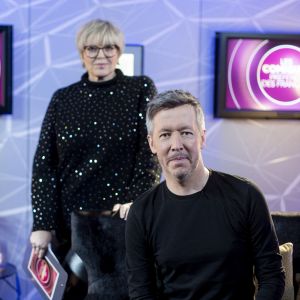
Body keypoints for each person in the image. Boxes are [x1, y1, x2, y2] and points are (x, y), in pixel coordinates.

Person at [29, 18, 160, 296]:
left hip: (121, 224)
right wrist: (43, 224)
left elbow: (150, 154)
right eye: (92, 48)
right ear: (81, 53)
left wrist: (135, 200)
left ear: (119, 51)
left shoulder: (140, 89)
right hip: (71, 227)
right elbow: (45, 166)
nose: (101, 56)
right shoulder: (62, 99)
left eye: (109, 48)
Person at [125, 89, 285, 300]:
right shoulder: (141, 212)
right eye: (165, 135)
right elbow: (141, 293)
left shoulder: (246, 195)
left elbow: (272, 277)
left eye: (186, 133)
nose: (176, 145)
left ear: (202, 137)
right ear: (152, 143)